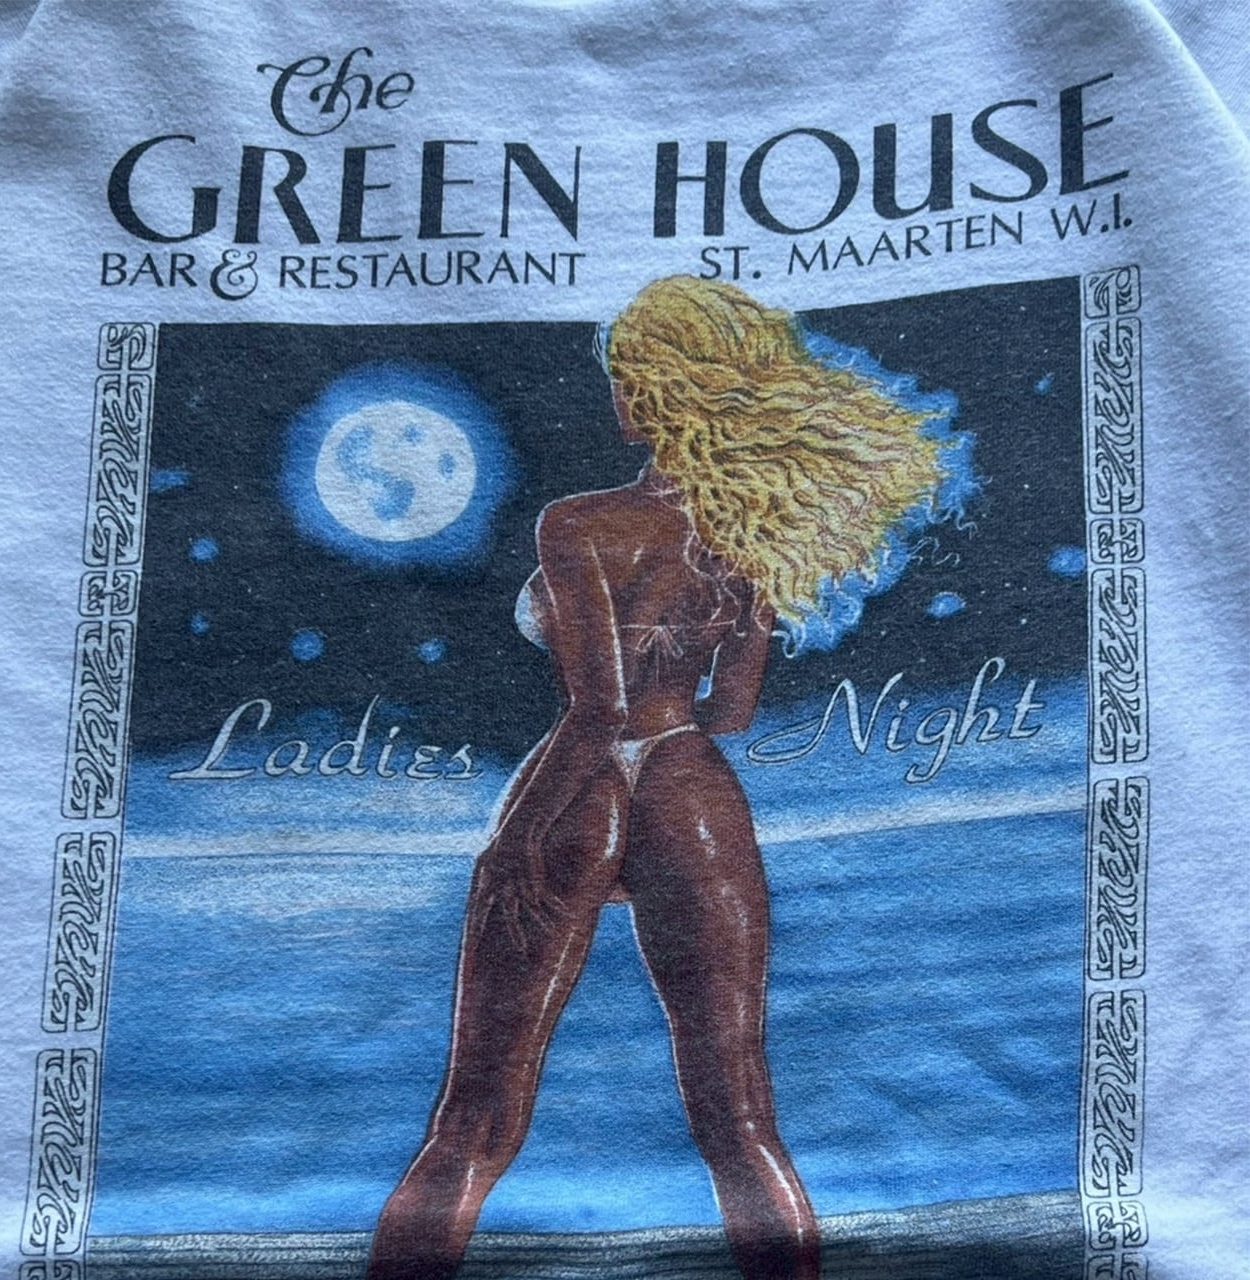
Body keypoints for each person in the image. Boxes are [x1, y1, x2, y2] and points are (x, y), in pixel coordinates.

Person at [366, 276, 951, 1280]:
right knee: (739, 1119)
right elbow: (734, 709)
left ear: (657, 387)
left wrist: (517, 842)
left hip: (580, 786)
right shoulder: (750, 529)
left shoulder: (577, 523)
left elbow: (596, 712)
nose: (615, 395)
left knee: (474, 1120)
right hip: (689, 781)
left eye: (624, 376)